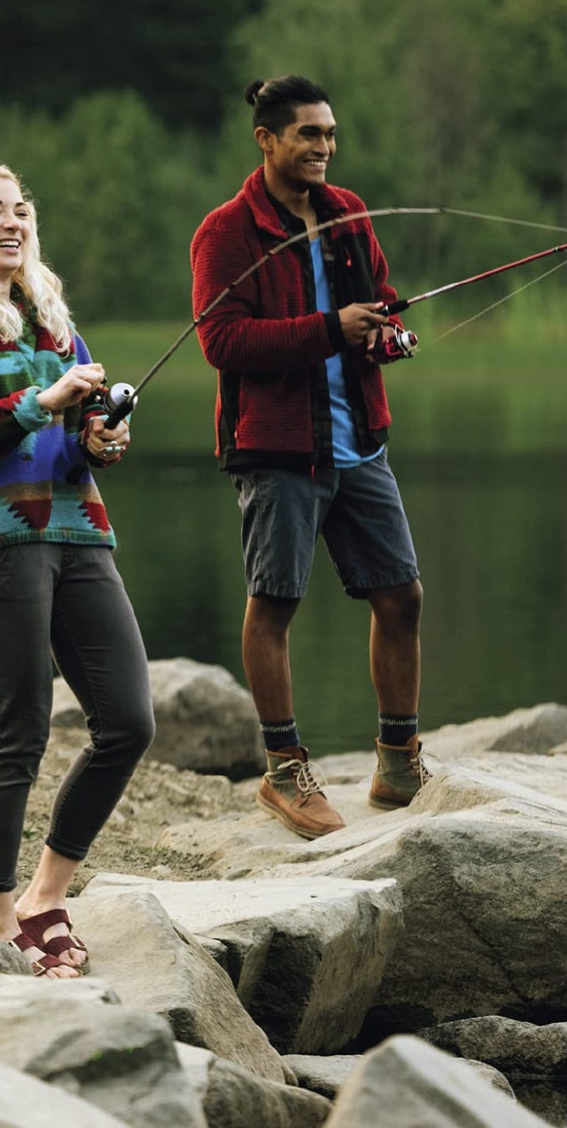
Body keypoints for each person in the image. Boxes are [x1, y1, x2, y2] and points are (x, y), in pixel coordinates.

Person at [0, 163, 153, 979]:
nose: (11, 222)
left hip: (79, 530)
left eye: (20, 210)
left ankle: (47, 895)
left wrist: (97, 438)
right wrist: (42, 405)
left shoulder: (51, 315)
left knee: (127, 721)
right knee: (20, 732)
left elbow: (82, 433)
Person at [191, 76, 429, 841]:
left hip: (357, 440)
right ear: (266, 139)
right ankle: (282, 769)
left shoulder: (350, 213)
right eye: (308, 135)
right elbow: (220, 341)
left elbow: (380, 296)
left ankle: (396, 762)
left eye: (328, 134)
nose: (323, 147)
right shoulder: (225, 231)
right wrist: (332, 327)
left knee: (402, 596)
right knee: (275, 603)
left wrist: (386, 331)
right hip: (276, 449)